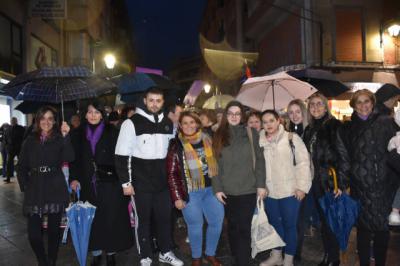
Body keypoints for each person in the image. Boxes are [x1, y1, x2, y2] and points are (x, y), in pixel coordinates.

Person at [115, 87, 183, 266]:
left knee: (164, 218)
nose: (154, 104)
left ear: (162, 102)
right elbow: (122, 155)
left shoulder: (168, 123)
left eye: (158, 101)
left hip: (162, 182)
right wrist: (126, 183)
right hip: (140, 182)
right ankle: (145, 255)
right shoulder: (131, 123)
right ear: (145, 100)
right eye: (151, 100)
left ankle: (165, 251)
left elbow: (172, 153)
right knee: (143, 220)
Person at [337, 89, 398, 266]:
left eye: (367, 101)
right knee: (363, 230)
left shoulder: (387, 123)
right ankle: (363, 263)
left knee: (382, 229)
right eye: (359, 102)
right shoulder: (347, 129)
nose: (364, 105)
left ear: (373, 102)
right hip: (360, 187)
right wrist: (342, 183)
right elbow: (344, 159)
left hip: (384, 186)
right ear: (354, 106)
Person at [69, 102, 134, 266]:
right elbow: (73, 159)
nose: (93, 115)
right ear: (85, 114)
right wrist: (74, 178)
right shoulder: (77, 134)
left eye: (96, 112)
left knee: (110, 218)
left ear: (102, 114)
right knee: (92, 219)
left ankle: (111, 252)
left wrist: (125, 181)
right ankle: (97, 253)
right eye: (90, 112)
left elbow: (121, 157)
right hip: (87, 183)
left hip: (110, 183)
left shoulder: (113, 132)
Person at [17, 106, 74, 266]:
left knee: (54, 231)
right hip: (35, 187)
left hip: (54, 185)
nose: (46, 122)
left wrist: (66, 136)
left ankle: (52, 260)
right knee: (34, 234)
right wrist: (25, 186)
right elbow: (21, 166)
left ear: (55, 121)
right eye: (43, 118)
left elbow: (70, 156)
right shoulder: (30, 140)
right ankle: (42, 261)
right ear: (38, 120)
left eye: (50, 118)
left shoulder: (59, 137)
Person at [212, 101, 266, 266]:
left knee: (243, 228)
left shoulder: (251, 133)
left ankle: (243, 260)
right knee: (233, 227)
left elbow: (260, 160)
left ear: (242, 116)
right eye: (230, 113)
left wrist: (261, 184)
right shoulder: (219, 135)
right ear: (226, 116)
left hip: (247, 189)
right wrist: (217, 188)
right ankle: (237, 255)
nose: (234, 117)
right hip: (227, 191)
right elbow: (214, 165)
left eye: (237, 113)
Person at [167, 111, 224, 266]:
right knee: (195, 226)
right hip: (190, 192)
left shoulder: (208, 138)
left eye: (192, 122)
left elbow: (220, 162)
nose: (189, 126)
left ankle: (210, 254)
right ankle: (196, 257)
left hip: (211, 189)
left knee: (216, 223)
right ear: (180, 125)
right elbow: (172, 173)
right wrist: (177, 196)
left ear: (198, 123)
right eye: (185, 123)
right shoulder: (176, 144)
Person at [259, 110, 312, 266]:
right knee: (274, 225)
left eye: (271, 120)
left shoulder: (292, 138)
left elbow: (303, 163)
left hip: (290, 191)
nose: (268, 124)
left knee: (290, 225)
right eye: (265, 121)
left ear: (278, 121)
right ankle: (276, 255)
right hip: (269, 192)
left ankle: (288, 259)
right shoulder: (260, 141)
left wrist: (302, 187)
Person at [303, 92, 344, 266]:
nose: (316, 107)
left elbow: (344, 155)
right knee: (323, 223)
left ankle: (333, 260)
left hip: (329, 182)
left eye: (319, 104)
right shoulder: (309, 128)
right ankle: (328, 256)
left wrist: (341, 183)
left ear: (326, 106)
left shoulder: (334, 125)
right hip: (313, 182)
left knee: (330, 223)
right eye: (312, 104)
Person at [286, 99, 314, 263]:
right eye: (291, 112)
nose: (295, 115)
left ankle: (296, 252)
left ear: (303, 112)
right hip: (291, 181)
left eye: (297, 111)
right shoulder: (287, 131)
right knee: (291, 218)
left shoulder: (310, 130)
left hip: (308, 181)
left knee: (301, 219)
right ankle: (289, 249)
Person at [4, 117, 25, 183]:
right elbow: (5, 138)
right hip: (10, 149)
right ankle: (8, 178)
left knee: (22, 163)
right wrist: (7, 146)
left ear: (16, 121)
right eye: (12, 120)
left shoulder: (21, 128)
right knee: (8, 164)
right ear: (10, 121)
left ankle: (23, 177)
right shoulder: (7, 129)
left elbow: (24, 137)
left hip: (19, 149)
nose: (12, 121)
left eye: (14, 120)